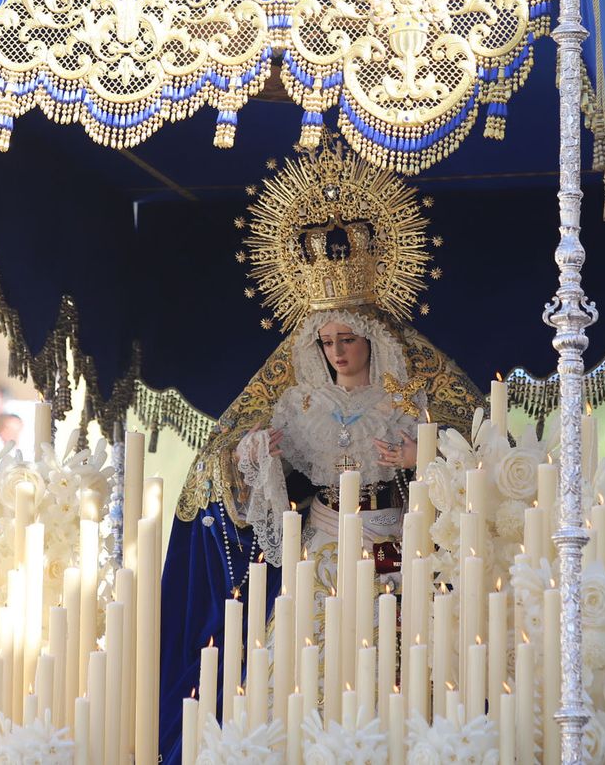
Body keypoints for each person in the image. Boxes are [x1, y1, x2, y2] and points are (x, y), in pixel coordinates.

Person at [158, 138, 481, 758]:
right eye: (327, 341)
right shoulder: (298, 405)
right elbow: (247, 479)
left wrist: (425, 460)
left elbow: (473, 460)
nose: (338, 352)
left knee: (405, 668)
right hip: (325, 552)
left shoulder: (407, 399)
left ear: (372, 338)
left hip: (397, 552)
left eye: (348, 339)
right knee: (308, 672)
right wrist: (262, 458)